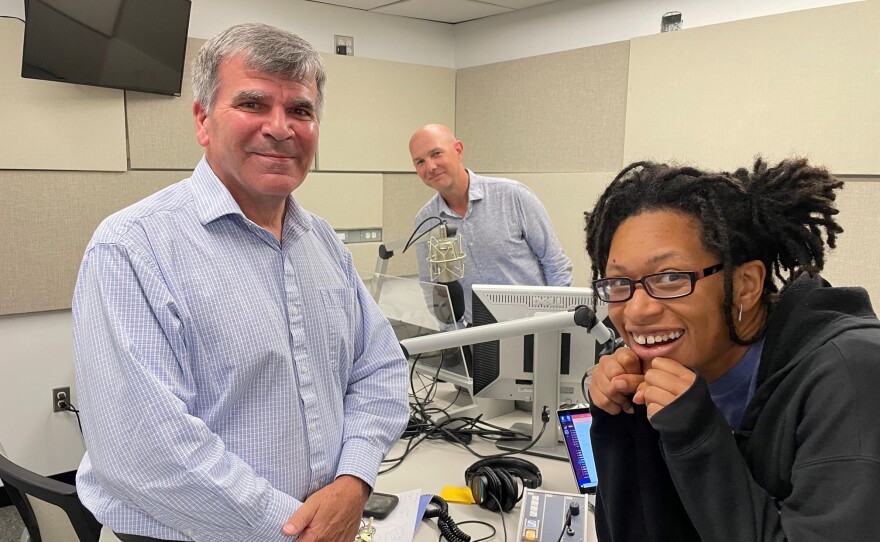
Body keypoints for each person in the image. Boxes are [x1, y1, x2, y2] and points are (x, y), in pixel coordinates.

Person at [72, 23, 409, 542]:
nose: (281, 128)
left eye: (300, 110)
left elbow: (380, 369)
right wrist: (294, 529)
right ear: (203, 120)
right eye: (253, 104)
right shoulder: (132, 248)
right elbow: (147, 450)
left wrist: (354, 480)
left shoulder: (322, 244)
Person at [584, 157, 880, 541]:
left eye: (671, 278)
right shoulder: (674, 370)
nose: (638, 310)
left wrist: (696, 437)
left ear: (746, 284)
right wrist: (621, 422)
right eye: (618, 283)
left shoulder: (851, 374)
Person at [409, 124, 573, 325]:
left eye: (436, 154)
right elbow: (433, 291)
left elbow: (555, 263)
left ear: (458, 151)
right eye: (420, 162)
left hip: (533, 329)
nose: (430, 167)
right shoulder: (425, 222)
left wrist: (554, 324)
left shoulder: (513, 196)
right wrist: (453, 340)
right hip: (475, 339)